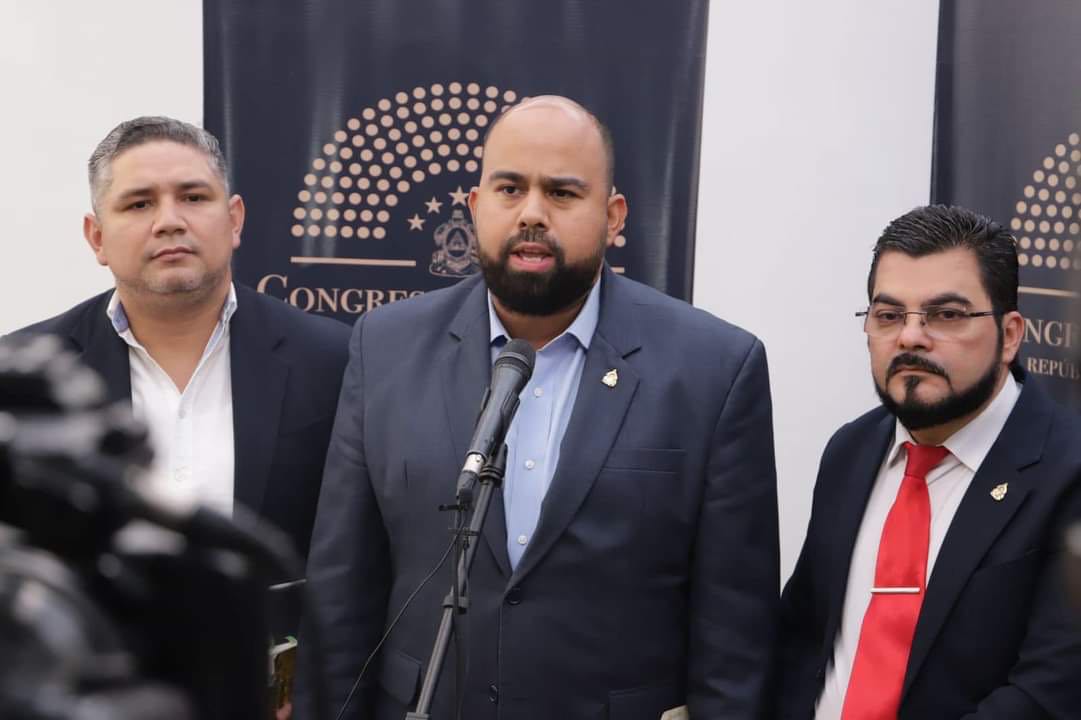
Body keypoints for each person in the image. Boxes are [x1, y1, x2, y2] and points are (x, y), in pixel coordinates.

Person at [298, 95, 780, 719]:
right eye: (510, 189)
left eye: (561, 192)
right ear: (476, 207)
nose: (531, 213)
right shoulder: (384, 348)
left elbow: (734, 634)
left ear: (613, 217)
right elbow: (341, 593)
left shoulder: (714, 369)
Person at [10, 116, 351, 577]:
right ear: (97, 238)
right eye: (139, 204)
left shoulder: (333, 360)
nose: (169, 222)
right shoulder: (28, 379)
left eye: (193, 198)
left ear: (234, 220)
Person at [776, 205, 1081, 719]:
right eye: (889, 316)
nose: (911, 337)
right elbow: (803, 638)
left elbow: (1051, 691)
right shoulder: (850, 450)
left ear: (1010, 335)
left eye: (947, 315)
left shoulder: (1067, 470)